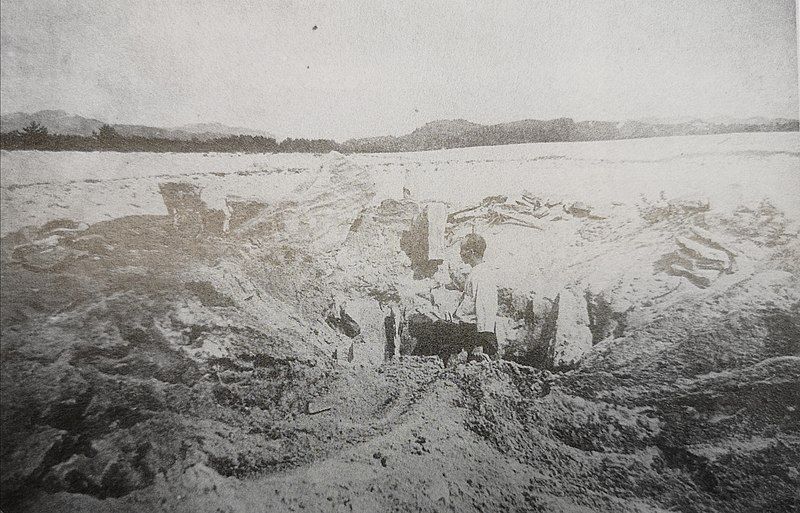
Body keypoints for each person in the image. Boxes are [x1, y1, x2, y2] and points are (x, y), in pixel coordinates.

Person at [452, 233, 498, 361]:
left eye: (462, 249)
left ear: (471, 251)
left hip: (476, 335)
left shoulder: (482, 274)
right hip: (469, 330)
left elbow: (484, 309)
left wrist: (480, 344)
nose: (460, 253)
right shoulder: (476, 272)